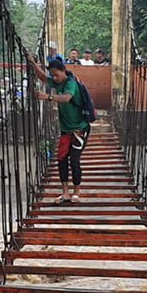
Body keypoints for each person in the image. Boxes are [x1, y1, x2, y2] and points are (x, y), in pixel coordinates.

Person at [30, 59, 90, 204]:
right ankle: (65, 193)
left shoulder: (71, 83)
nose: (54, 78)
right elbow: (43, 77)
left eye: (56, 75)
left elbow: (66, 97)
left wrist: (48, 97)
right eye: (53, 75)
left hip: (79, 130)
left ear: (63, 71)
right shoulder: (57, 82)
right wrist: (32, 62)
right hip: (65, 131)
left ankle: (76, 192)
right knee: (62, 161)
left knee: (74, 161)